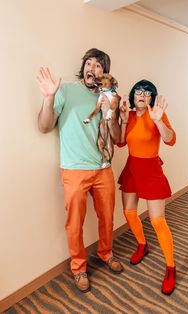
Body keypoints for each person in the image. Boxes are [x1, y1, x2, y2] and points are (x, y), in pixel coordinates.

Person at [37, 48, 123, 293]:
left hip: (103, 168)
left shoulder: (108, 96)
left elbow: (116, 138)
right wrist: (48, 97)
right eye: (89, 63)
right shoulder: (67, 91)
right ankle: (79, 268)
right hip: (74, 170)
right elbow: (43, 126)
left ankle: (106, 253)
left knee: (107, 217)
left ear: (104, 73)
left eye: (98, 66)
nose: (92, 68)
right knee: (74, 223)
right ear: (84, 67)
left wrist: (113, 112)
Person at [118, 79, 176, 295]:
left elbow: (171, 140)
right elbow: (121, 143)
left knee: (157, 220)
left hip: (151, 169)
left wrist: (159, 121)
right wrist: (123, 121)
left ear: (152, 98)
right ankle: (142, 244)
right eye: (139, 92)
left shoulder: (157, 114)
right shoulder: (129, 115)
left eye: (147, 93)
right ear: (133, 96)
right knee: (129, 212)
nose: (142, 95)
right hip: (132, 167)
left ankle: (171, 267)